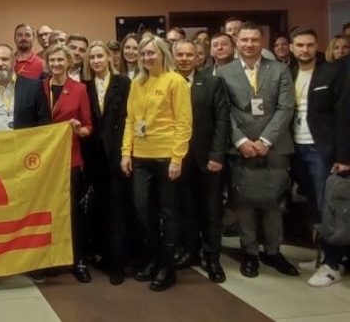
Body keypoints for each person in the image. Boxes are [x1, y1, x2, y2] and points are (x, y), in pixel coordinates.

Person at [218, 22, 299, 279]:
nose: (249, 44)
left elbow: (286, 107)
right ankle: (250, 252)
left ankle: (273, 251)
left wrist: (265, 140)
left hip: (275, 146)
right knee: (244, 204)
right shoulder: (224, 72)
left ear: (262, 42)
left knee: (275, 202)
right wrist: (241, 140)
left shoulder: (279, 70)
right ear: (237, 42)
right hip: (240, 147)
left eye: (254, 39)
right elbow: (223, 111)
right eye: (244, 40)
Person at [281, 29, 350, 287]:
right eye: (300, 45)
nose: (305, 50)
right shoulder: (287, 73)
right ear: (291, 47)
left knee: (327, 207)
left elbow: (344, 115)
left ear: (317, 46)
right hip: (294, 148)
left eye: (309, 45)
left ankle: (333, 263)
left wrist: (344, 155)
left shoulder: (332, 72)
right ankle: (322, 255)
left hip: (320, 149)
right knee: (312, 205)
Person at [120, 36, 192, 292]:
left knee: (169, 212)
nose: (147, 58)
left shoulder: (176, 81)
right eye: (143, 54)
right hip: (141, 157)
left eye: (151, 53)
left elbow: (184, 122)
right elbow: (130, 120)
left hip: (166, 157)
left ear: (163, 54)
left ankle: (166, 266)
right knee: (143, 209)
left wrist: (177, 158)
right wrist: (126, 153)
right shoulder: (137, 83)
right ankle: (153, 256)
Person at [172, 40, 230, 284]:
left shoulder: (212, 82)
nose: (185, 59)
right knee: (184, 209)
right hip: (177, 158)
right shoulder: (167, 81)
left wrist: (217, 156)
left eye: (190, 54)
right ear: (173, 57)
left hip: (207, 159)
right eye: (180, 54)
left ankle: (212, 257)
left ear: (198, 57)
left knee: (210, 211)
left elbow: (222, 121)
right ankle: (190, 251)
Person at [82, 41, 133, 285]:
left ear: (109, 58)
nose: (96, 61)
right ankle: (103, 254)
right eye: (92, 57)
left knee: (118, 210)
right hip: (95, 156)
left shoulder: (123, 83)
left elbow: (130, 118)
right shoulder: (85, 86)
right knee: (100, 209)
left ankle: (118, 263)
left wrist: (127, 152)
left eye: (100, 56)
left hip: (118, 154)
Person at [42, 45, 93, 282]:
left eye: (60, 60)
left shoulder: (79, 89)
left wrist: (79, 130)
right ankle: (53, 258)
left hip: (70, 158)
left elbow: (88, 126)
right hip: (44, 160)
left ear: (69, 62)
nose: (56, 64)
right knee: (49, 210)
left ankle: (78, 259)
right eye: (52, 60)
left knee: (72, 209)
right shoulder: (40, 87)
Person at [0, 44, 51, 133]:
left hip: (24, 141)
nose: (0, 64)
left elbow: (44, 122)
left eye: (4, 59)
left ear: (14, 62)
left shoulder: (33, 87)